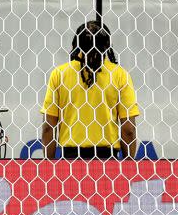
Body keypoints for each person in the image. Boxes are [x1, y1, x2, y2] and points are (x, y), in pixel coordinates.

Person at [40, 21, 140, 160]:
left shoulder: (59, 74)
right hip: (107, 161)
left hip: (70, 160)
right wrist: (128, 162)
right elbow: (128, 129)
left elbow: (48, 127)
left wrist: (49, 164)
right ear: (107, 45)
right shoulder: (120, 75)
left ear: (76, 44)